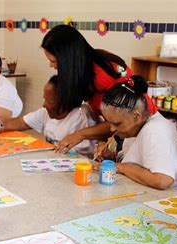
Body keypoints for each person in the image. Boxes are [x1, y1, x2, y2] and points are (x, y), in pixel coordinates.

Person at [40, 25, 157, 154]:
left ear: (68, 60)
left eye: (54, 61)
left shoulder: (101, 76)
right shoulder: (88, 68)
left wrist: (80, 134)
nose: (51, 66)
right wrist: (105, 140)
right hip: (128, 131)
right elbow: (112, 122)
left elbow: (120, 120)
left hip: (141, 130)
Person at [94, 76, 177, 194]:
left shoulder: (155, 131)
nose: (111, 128)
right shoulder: (136, 126)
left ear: (136, 115)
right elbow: (136, 157)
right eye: (109, 122)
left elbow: (162, 180)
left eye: (117, 123)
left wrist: (120, 167)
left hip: (171, 200)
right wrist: (109, 155)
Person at [0, 75, 97, 156]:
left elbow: (81, 157)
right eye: (45, 99)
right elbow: (21, 122)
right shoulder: (46, 112)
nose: (44, 105)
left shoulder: (81, 116)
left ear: (64, 102)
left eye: (50, 102)